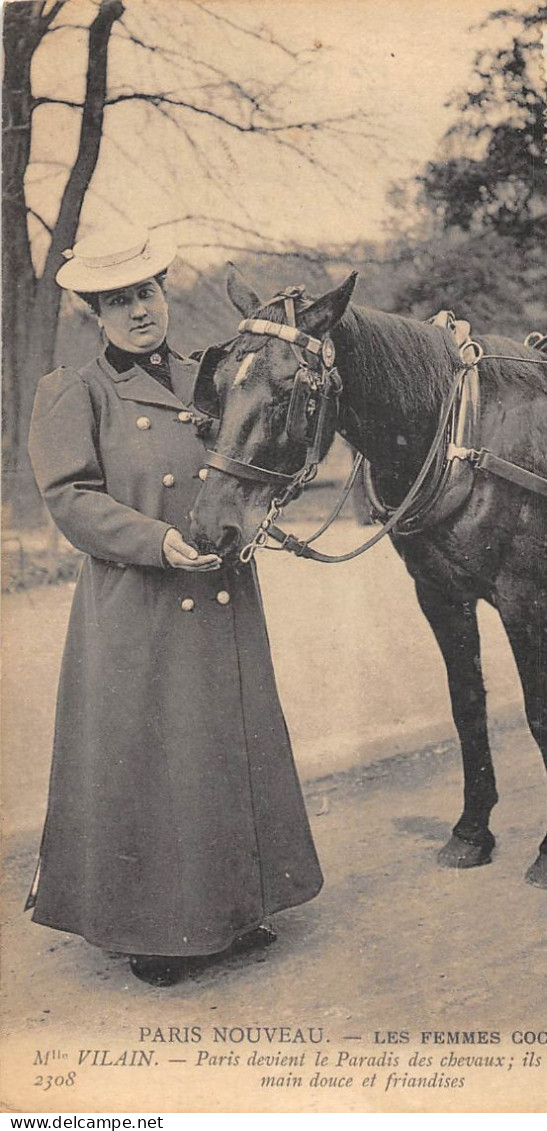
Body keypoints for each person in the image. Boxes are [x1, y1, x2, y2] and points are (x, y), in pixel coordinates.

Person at [27, 223, 323, 987]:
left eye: (146, 293)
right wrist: (155, 541)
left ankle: (235, 908)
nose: (137, 311)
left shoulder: (212, 378)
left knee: (226, 745)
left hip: (221, 593)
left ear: (164, 295)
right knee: (155, 760)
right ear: (96, 313)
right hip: (139, 602)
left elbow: (251, 462)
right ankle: (156, 931)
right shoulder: (77, 389)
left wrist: (256, 517)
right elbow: (69, 500)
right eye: (117, 301)